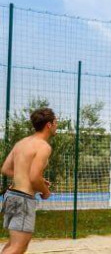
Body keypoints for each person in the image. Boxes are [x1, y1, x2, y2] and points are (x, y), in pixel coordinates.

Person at [1, 108, 57, 254]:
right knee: (17, 247)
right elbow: (34, 177)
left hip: (11, 196)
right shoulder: (43, 146)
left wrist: (36, 179)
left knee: (14, 244)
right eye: (55, 122)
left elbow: (6, 169)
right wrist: (45, 192)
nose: (56, 126)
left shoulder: (22, 143)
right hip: (23, 199)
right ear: (49, 125)